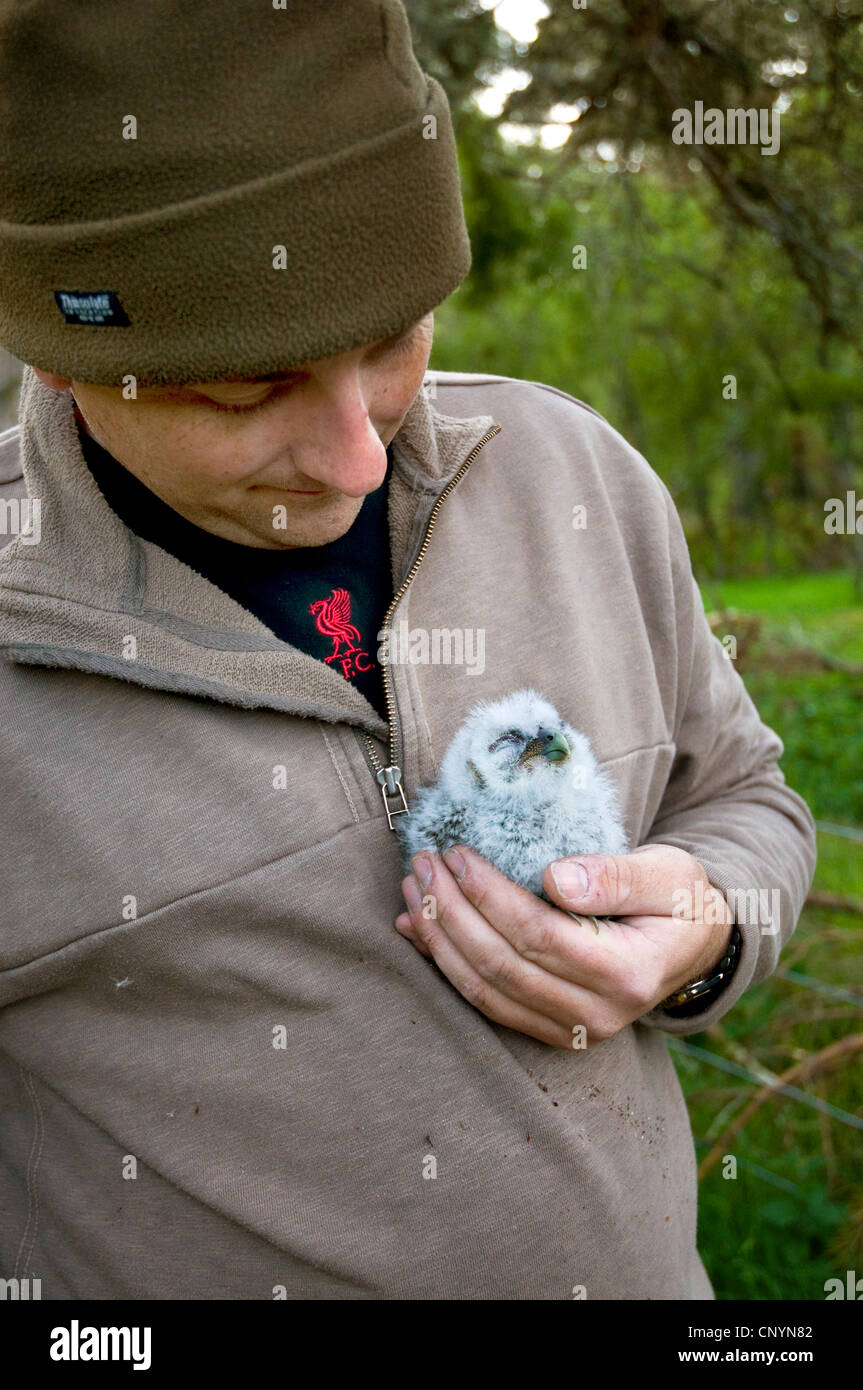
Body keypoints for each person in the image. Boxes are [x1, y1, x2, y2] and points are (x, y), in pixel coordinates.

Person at [0, 0, 815, 1300]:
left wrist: (706, 926)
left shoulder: (576, 474)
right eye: (243, 387)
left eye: (394, 341)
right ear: (62, 359)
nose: (358, 455)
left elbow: (748, 799)